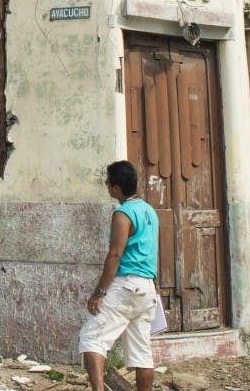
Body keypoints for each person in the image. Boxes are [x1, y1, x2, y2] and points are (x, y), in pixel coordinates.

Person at [80, 161, 160, 391]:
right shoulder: (149, 211)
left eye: (107, 183)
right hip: (146, 288)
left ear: (116, 188)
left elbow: (115, 255)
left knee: (92, 338)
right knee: (142, 353)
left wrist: (99, 292)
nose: (107, 187)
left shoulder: (123, 214)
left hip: (126, 285)